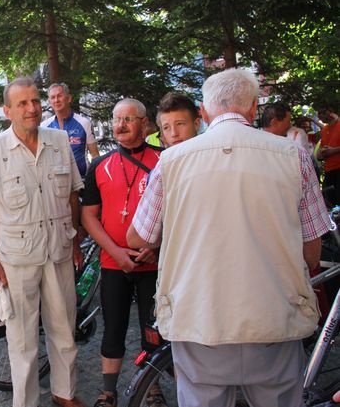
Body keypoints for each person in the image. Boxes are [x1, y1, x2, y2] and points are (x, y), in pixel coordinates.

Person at [128, 68, 330, 407]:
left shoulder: (171, 162)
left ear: (204, 114)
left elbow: (139, 237)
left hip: (199, 316)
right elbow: (312, 249)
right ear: (253, 109)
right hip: (274, 315)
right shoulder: (293, 156)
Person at [0, 78, 86, 407]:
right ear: (7, 111)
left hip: (59, 251)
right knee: (22, 341)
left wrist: (75, 238)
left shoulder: (60, 140)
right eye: (22, 103)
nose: (32, 108)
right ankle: (26, 403)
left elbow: (72, 195)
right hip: (17, 258)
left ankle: (65, 394)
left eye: (35, 101)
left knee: (64, 331)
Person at [81, 98, 163, 407]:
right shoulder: (99, 165)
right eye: (117, 119)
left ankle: (152, 389)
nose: (122, 125)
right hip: (113, 262)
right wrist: (115, 251)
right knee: (112, 328)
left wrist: (156, 245)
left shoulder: (164, 160)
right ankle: (108, 392)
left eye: (129, 119)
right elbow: (88, 216)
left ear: (144, 124)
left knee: (152, 330)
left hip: (152, 263)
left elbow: (179, 211)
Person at [42, 82, 99, 177]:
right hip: (56, 183)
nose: (56, 100)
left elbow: (95, 155)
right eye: (52, 97)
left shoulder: (84, 123)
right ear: (49, 101)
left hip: (83, 181)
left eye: (59, 96)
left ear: (69, 98)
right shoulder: (44, 126)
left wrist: (92, 179)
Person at [318, 107, 340, 205]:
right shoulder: (324, 129)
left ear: (331, 112)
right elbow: (323, 149)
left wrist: (333, 151)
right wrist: (320, 154)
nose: (320, 115)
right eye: (318, 113)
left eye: (323, 112)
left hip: (339, 167)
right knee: (331, 202)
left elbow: (331, 150)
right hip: (329, 170)